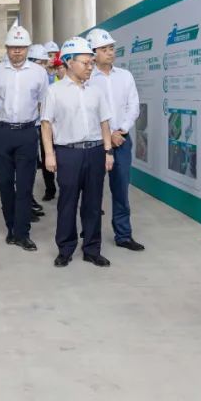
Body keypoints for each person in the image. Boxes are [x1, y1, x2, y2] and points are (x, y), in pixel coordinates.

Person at [40, 37, 115, 268]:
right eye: (85, 63)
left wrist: (108, 151)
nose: (90, 66)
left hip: (95, 152)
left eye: (91, 62)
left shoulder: (96, 91)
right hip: (68, 153)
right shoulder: (54, 91)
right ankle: (65, 249)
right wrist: (49, 154)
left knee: (93, 204)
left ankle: (92, 249)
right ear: (69, 62)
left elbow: (104, 123)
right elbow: (46, 125)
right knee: (67, 203)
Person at [0, 26, 48, 252]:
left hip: (27, 133)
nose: (17, 51)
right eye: (13, 47)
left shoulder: (39, 73)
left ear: (28, 48)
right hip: (2, 133)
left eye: (21, 47)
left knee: (25, 185)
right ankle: (10, 228)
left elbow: (44, 103)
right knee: (4, 182)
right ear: (7, 48)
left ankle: (22, 233)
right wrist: (3, 116)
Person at [86, 28, 144, 252]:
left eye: (111, 48)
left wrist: (121, 130)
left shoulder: (125, 76)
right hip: (96, 143)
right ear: (93, 53)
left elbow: (133, 106)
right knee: (92, 192)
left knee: (121, 190)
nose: (110, 52)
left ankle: (124, 235)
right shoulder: (88, 79)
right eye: (104, 49)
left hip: (122, 141)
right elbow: (88, 111)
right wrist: (108, 134)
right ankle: (90, 236)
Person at [29, 43, 57, 203]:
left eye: (53, 55)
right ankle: (50, 189)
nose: (51, 59)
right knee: (44, 155)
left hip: (57, 123)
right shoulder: (34, 77)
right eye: (48, 56)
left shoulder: (62, 74)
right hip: (38, 123)